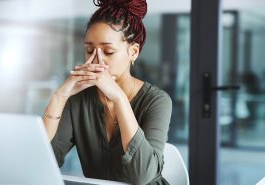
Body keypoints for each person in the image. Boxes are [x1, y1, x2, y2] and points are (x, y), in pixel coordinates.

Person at [42, 0, 172, 184]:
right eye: (89, 50)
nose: (96, 60)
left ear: (133, 52)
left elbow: (143, 176)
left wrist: (118, 98)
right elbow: (45, 161)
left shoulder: (157, 101)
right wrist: (59, 97)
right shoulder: (78, 100)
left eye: (109, 51)